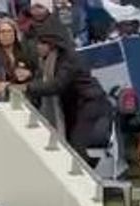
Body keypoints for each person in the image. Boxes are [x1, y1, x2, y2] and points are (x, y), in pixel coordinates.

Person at [22, 25, 110, 164]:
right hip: (75, 109)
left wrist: (27, 87)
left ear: (50, 44)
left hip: (89, 105)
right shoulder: (47, 62)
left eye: (40, 44)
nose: (37, 48)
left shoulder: (69, 59)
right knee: (72, 148)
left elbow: (57, 85)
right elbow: (42, 83)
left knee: (78, 151)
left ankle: (84, 175)